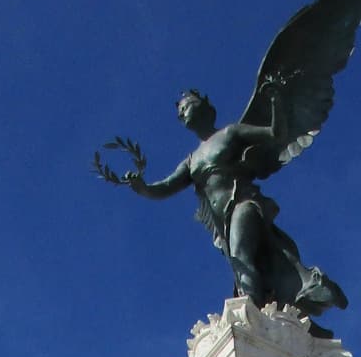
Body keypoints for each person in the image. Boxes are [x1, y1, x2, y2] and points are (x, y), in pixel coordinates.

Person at [123, 90, 347, 320]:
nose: (183, 111)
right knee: (245, 266)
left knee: (242, 257)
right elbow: (165, 187)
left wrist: (276, 102)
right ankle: (261, 315)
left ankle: (248, 318)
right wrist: (141, 187)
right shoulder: (191, 161)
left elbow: (275, 134)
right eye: (181, 111)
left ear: (205, 106)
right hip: (221, 222)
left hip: (242, 202)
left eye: (187, 105)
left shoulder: (231, 133)